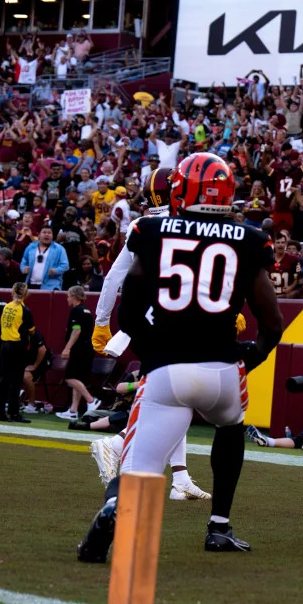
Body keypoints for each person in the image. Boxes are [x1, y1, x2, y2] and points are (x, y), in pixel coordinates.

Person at [76, 153, 284, 563]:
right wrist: (253, 357)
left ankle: (120, 505)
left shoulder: (151, 229)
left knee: (138, 466)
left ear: (181, 189)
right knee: (231, 426)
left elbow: (130, 306)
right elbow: (273, 320)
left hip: (168, 370)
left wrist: (151, 350)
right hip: (224, 372)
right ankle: (220, 526)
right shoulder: (248, 237)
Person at [86, 168, 211, 501]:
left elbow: (113, 278)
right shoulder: (189, 223)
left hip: (147, 320)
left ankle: (180, 476)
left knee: (178, 394)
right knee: (176, 393)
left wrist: (101, 321)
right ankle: (116, 443)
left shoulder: (143, 225)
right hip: (173, 320)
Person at [54, 286, 100, 422]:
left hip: (79, 349)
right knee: (78, 379)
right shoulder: (87, 311)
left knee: (69, 377)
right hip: (88, 349)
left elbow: (76, 330)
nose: (67, 298)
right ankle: (73, 410)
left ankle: (91, 400)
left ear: (74, 296)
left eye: (68, 296)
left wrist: (67, 348)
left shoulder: (76, 310)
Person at [0, 283, 35, 423]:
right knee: (16, 381)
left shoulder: (7, 307)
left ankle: (0, 413)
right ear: (26, 294)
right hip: (17, 347)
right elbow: (31, 331)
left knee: (4, 381)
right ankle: (13, 413)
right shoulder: (25, 310)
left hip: (4, 345)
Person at [20, 225, 69, 290]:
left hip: (51, 286)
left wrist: (55, 271)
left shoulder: (59, 249)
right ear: (39, 235)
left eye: (49, 233)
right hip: (31, 284)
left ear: (52, 236)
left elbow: (65, 266)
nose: (47, 234)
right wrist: (23, 268)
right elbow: (24, 261)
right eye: (44, 232)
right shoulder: (30, 247)